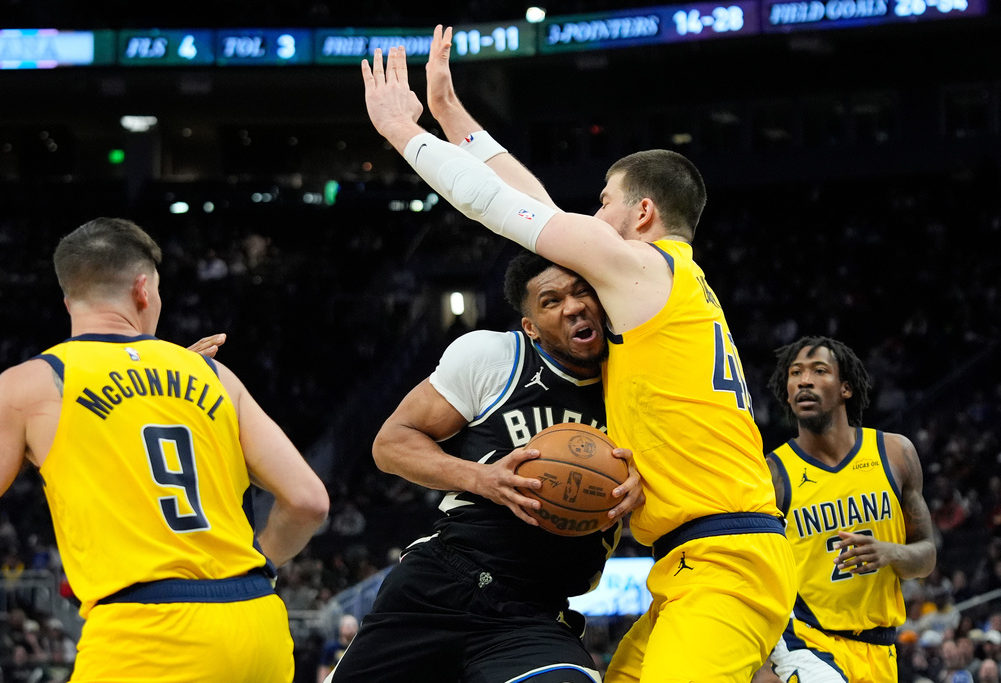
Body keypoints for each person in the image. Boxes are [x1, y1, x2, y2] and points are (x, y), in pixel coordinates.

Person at [361, 28, 795, 681]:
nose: (589, 216)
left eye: (602, 203)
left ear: (641, 211)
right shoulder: (666, 282)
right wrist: (455, 117)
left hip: (725, 557)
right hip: (692, 562)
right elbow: (539, 205)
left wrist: (403, 132)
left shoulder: (641, 269)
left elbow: (500, 207)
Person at [0, 218, 330, 682]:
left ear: (68, 300)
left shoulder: (33, 385)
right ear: (143, 289)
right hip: (256, 623)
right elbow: (308, 501)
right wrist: (259, 563)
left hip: (146, 635)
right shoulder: (211, 374)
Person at [326, 251, 643, 683]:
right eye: (550, 301)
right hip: (440, 583)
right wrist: (483, 478)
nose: (572, 307)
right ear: (530, 327)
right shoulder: (494, 357)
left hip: (532, 611)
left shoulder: (639, 386)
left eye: (581, 291)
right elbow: (391, 443)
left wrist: (648, 485)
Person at [763, 337, 936, 682]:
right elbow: (757, 572)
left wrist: (891, 552)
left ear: (846, 388)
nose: (804, 380)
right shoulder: (771, 476)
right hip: (806, 638)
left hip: (881, 649)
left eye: (819, 370)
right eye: (795, 373)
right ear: (787, 393)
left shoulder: (896, 454)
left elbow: (927, 556)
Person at [318, 614, 359, 682]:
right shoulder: (331, 647)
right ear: (341, 628)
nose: (351, 629)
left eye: (354, 626)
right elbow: (323, 668)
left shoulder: (359, 648)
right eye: (348, 626)